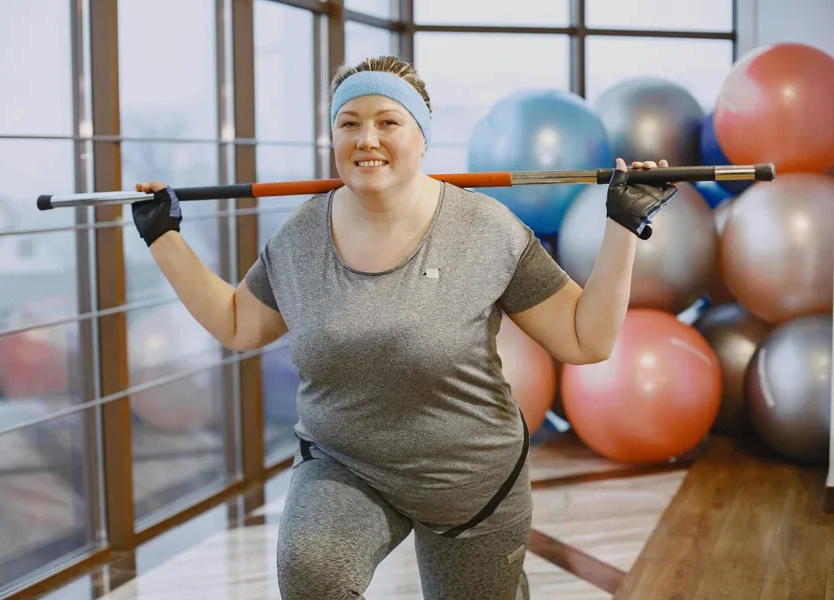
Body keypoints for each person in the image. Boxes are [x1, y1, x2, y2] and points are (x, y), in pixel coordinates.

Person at [131, 56, 677, 600]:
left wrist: (623, 227)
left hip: (472, 483)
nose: (367, 138)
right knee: (312, 575)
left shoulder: (487, 229)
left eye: (388, 121)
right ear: (333, 138)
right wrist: (164, 238)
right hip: (345, 467)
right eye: (349, 123)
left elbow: (587, 338)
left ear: (422, 136)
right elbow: (235, 324)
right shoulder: (301, 238)